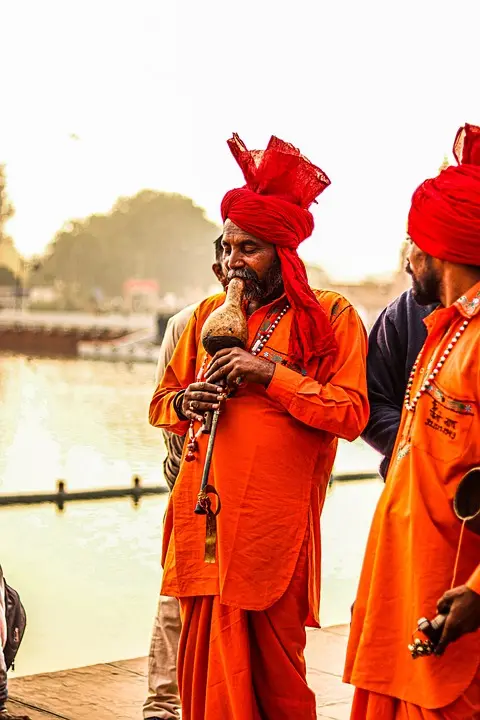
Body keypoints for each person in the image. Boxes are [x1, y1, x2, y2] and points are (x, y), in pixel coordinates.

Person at [149, 133, 369, 720]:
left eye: (249, 248)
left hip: (275, 533)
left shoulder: (330, 318)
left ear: (283, 254)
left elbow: (350, 413)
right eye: (228, 247)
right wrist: (186, 400)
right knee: (201, 680)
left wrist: (269, 374)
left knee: (275, 684)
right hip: (202, 525)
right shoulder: (203, 317)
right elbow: (158, 403)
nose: (233, 262)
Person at [344, 123, 480, 719]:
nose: (407, 257)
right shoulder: (441, 330)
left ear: (439, 249)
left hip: (450, 610)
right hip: (405, 595)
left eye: (413, 243)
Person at [144, 237, 226, 720]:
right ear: (218, 267)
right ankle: (162, 703)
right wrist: (186, 481)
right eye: (228, 256)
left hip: (243, 495)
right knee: (179, 595)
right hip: (194, 486)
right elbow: (164, 405)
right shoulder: (187, 324)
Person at [361, 290, 437, 478]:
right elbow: (372, 401)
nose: (410, 262)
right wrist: (420, 453)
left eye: (420, 257)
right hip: (414, 486)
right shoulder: (406, 312)